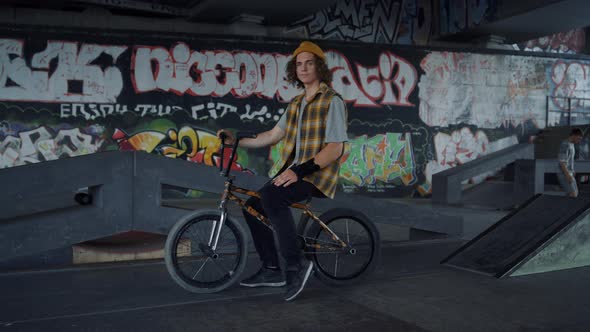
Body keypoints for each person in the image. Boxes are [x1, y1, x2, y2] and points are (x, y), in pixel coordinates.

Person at [217, 41, 347, 301]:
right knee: (251, 206)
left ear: (319, 67)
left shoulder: (332, 101)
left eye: (309, 62)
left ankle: (295, 267)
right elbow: (272, 135)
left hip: (316, 174)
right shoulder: (297, 103)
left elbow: (336, 148)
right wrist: (236, 141)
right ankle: (272, 269)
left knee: (273, 198)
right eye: (299, 64)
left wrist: (300, 171)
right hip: (295, 172)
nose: (303, 68)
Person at [558, 128, 583, 198]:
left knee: (575, 193)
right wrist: (567, 175)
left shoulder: (572, 145)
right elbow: (561, 161)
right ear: (574, 136)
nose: (579, 141)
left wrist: (572, 171)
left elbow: (569, 160)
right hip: (564, 174)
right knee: (573, 194)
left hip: (569, 173)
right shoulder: (565, 145)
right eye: (578, 139)